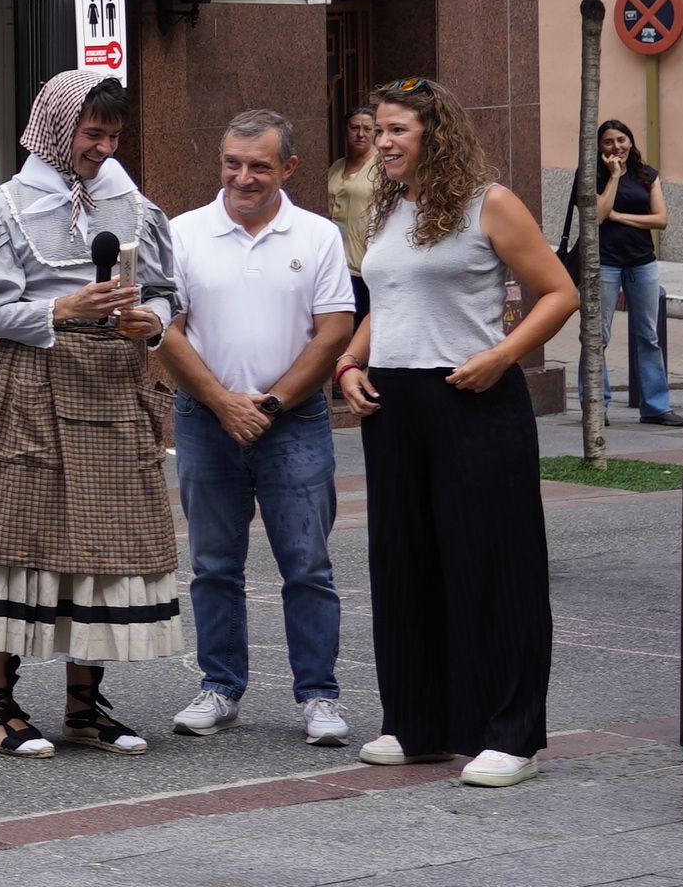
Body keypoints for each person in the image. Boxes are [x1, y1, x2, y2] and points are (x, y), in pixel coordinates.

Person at [334, 76, 577, 789]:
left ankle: (511, 734)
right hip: (394, 403)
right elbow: (388, 302)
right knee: (404, 562)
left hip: (472, 397)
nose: (383, 141)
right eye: (379, 129)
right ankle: (419, 724)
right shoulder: (389, 207)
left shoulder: (489, 203)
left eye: (398, 130)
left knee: (492, 565)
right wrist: (349, 361)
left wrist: (503, 356)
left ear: (435, 134)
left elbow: (559, 291)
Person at [0, 68, 184, 758]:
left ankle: (84, 706)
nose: (103, 148)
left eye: (113, 136)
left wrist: (151, 321)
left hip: (112, 381)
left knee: (105, 540)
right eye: (92, 133)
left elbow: (168, 292)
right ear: (55, 129)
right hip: (31, 380)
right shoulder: (3, 210)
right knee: (14, 536)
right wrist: (59, 308)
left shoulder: (135, 206)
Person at [154, 113, 359, 747]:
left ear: (288, 168)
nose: (242, 177)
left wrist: (267, 405)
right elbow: (165, 329)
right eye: (232, 163)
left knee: (307, 566)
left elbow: (335, 330)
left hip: (294, 423)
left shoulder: (318, 235)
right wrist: (223, 403)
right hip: (204, 421)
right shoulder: (183, 233)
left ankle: (319, 696)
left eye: (259, 166)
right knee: (213, 565)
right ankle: (220, 688)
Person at [589, 117, 683, 425]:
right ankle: (596, 407)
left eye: (621, 140)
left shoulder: (647, 174)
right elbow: (598, 215)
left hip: (642, 262)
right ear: (599, 147)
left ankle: (656, 406)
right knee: (596, 336)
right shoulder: (590, 175)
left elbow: (661, 220)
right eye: (608, 142)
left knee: (648, 336)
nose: (616, 147)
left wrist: (619, 216)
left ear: (631, 142)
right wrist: (615, 177)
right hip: (603, 262)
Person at [324, 104, 384, 301]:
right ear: (345, 130)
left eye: (367, 129)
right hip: (336, 261)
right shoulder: (336, 166)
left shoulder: (383, 167)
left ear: (375, 132)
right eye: (354, 128)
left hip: (365, 262)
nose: (360, 134)